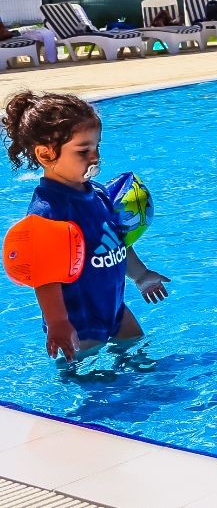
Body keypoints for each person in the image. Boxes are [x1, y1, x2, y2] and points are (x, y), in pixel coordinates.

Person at [2, 91, 170, 361]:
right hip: (77, 318)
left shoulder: (99, 194)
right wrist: (57, 322)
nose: (95, 157)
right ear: (46, 155)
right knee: (87, 382)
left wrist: (141, 276)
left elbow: (116, 242)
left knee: (140, 354)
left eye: (96, 147)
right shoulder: (49, 210)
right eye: (83, 151)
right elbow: (45, 275)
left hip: (114, 307)